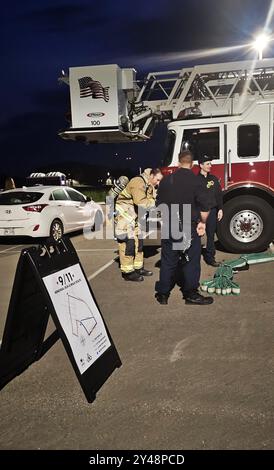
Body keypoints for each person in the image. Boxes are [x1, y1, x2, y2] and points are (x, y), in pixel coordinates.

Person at [155, 150, 213, 305]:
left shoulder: (166, 181)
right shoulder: (197, 181)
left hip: (170, 224)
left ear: (178, 163)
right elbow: (205, 207)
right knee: (191, 261)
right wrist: (202, 223)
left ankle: (163, 294)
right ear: (193, 164)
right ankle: (191, 293)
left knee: (168, 261)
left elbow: (159, 206)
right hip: (188, 225)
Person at [115, 168, 163, 281]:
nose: (158, 183)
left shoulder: (149, 185)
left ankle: (138, 268)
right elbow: (141, 202)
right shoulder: (138, 182)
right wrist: (157, 204)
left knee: (139, 243)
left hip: (135, 217)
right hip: (125, 217)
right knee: (128, 244)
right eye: (157, 179)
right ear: (151, 176)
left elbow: (151, 200)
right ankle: (127, 272)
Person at [197, 155, 223, 267]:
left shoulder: (213, 179)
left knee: (211, 235)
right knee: (197, 235)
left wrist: (220, 209)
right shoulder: (195, 180)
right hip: (199, 212)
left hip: (212, 211)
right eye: (208, 164)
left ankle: (210, 257)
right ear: (201, 165)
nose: (210, 166)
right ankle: (194, 257)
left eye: (210, 164)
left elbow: (218, 195)